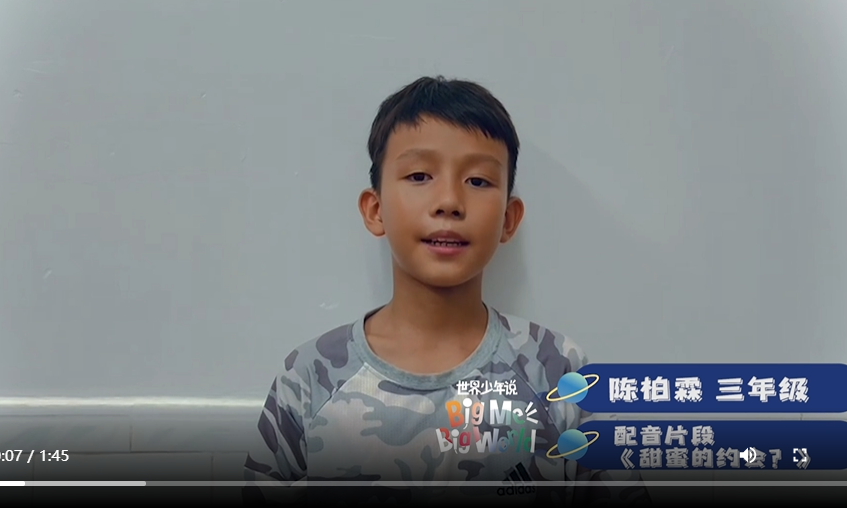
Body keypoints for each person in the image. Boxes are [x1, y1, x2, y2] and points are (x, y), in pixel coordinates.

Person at [242, 76, 650, 505]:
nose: (450, 201)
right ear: (375, 210)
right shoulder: (311, 376)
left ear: (509, 219)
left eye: (478, 181)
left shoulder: (556, 371)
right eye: (419, 175)